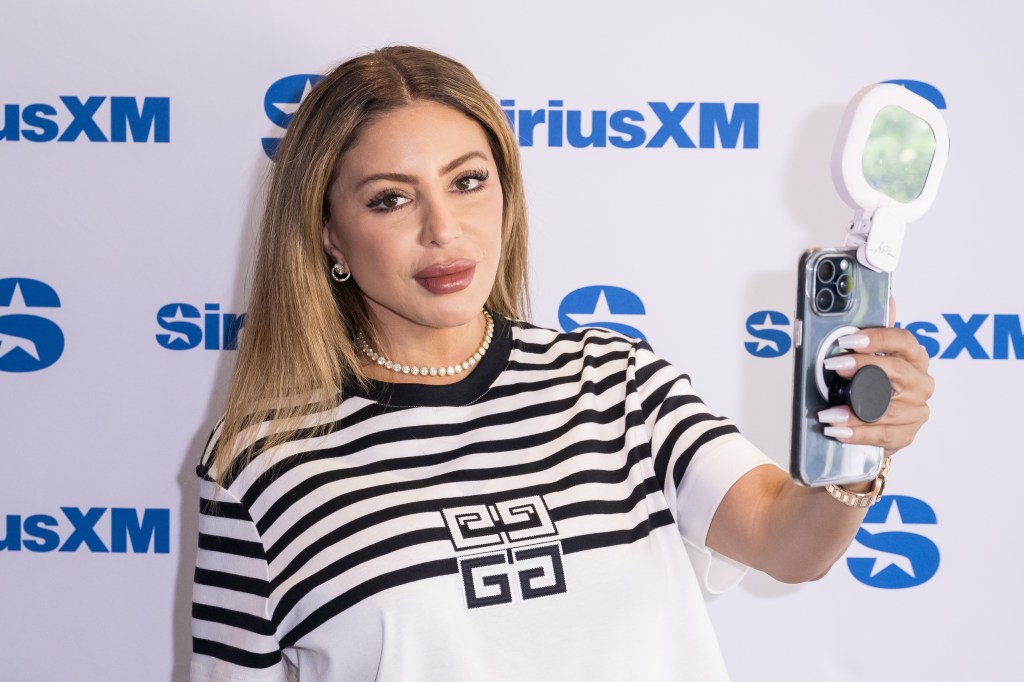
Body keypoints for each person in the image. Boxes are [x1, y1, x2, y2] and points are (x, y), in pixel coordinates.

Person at [190, 46, 933, 681]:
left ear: (507, 192)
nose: (444, 230)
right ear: (328, 235)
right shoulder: (261, 460)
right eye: (391, 200)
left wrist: (855, 451)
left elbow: (786, 541)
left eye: (468, 181)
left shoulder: (615, 381)